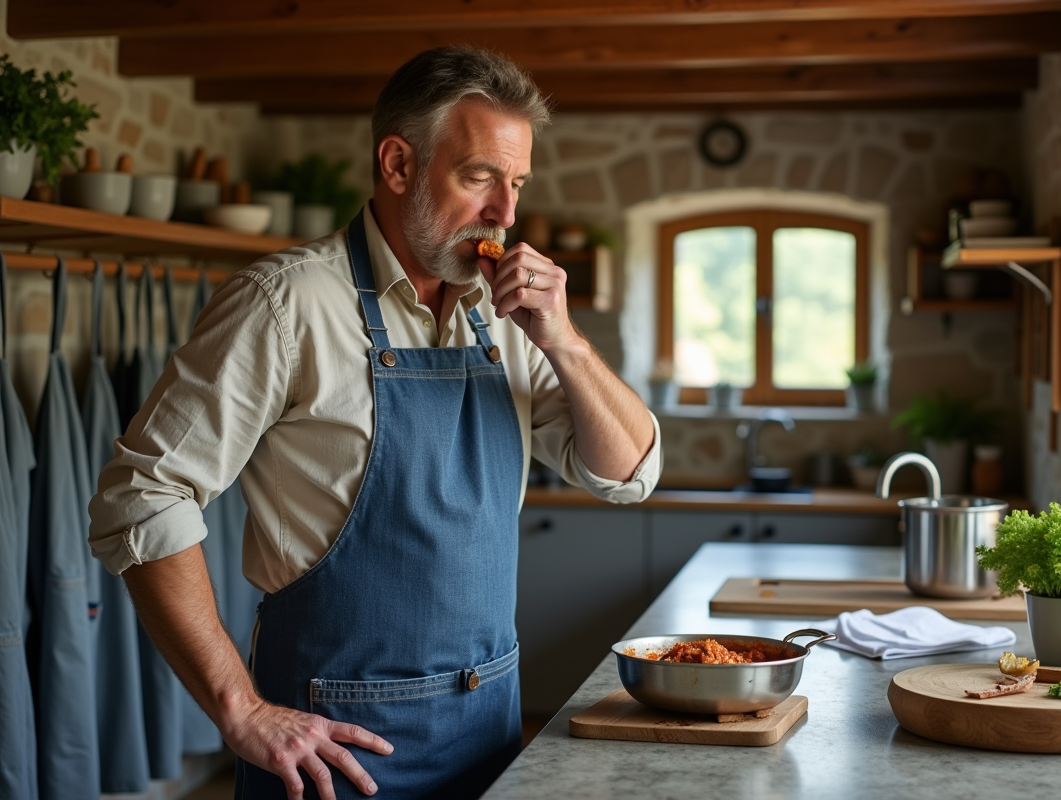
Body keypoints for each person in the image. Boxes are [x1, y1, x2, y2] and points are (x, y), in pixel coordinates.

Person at [89, 47, 661, 800]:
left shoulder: (507, 315)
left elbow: (627, 475)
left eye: (516, 182)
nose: (506, 213)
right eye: (480, 176)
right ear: (398, 165)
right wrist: (242, 710)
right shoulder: (284, 306)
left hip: (491, 731)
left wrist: (566, 340)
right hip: (332, 757)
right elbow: (142, 494)